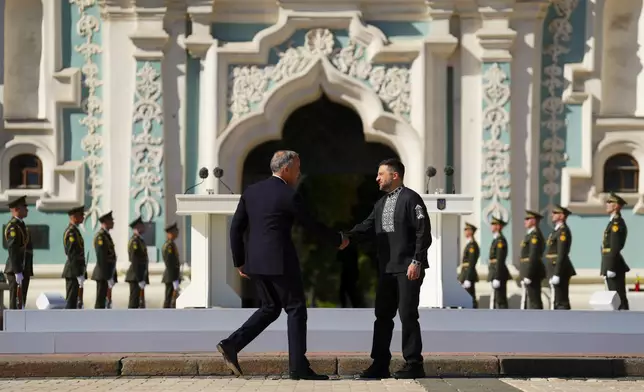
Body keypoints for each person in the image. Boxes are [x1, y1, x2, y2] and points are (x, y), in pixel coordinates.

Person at [216, 150, 348, 381]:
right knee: (296, 309)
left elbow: (236, 228)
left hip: (255, 263)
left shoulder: (251, 192)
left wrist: (240, 260)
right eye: (297, 168)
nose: (299, 172)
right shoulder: (288, 194)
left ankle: (231, 344)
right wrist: (337, 240)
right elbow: (311, 224)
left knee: (270, 308)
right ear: (285, 169)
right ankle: (298, 368)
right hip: (280, 262)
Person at [348, 158, 432, 380]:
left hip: (408, 268)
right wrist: (344, 238)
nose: (377, 178)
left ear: (395, 175)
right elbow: (365, 226)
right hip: (386, 269)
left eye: (381, 174)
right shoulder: (380, 204)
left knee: (407, 314)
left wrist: (417, 260)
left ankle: (414, 363)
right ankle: (380, 364)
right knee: (382, 316)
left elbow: (423, 231)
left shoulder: (411, 198)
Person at [4, 195, 33, 309]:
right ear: (16, 209)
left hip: (23, 268)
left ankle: (20, 325)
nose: (27, 209)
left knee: (21, 302)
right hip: (16, 270)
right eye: (24, 207)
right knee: (15, 302)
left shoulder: (21, 225)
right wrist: (17, 271)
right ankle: (13, 326)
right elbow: (13, 250)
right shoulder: (13, 227)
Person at [601, 192, 629, 310]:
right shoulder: (612, 223)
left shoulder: (616, 223)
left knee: (617, 296)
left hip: (614, 265)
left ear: (616, 206)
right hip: (609, 263)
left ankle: (624, 321)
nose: (607, 204)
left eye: (610, 202)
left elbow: (615, 246)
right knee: (612, 296)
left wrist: (611, 267)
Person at [545, 205, 576, 309]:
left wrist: (557, 273)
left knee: (561, 301)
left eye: (555, 213)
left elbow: (561, 253)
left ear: (562, 216)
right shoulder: (556, 231)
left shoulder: (563, 232)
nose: (552, 215)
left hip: (560, 270)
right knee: (556, 300)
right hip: (554, 269)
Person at [518, 210, 546, 309]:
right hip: (528, 272)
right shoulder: (529, 235)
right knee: (530, 300)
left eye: (527, 219)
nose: (525, 221)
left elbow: (534, 256)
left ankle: (538, 321)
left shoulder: (535, 236)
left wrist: (528, 275)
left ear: (534, 221)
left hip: (533, 273)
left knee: (534, 300)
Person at [62, 206, 87, 309]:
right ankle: (67, 323)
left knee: (75, 301)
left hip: (76, 271)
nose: (83, 217)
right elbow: (72, 254)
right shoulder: (71, 232)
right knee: (71, 301)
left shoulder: (75, 231)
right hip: (73, 272)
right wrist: (78, 274)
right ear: (74, 217)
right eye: (81, 215)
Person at [92, 211, 117, 309]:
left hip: (107, 274)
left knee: (104, 302)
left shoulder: (106, 236)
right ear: (105, 222)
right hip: (103, 274)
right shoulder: (100, 237)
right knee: (100, 302)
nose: (113, 222)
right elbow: (101, 257)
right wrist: (107, 276)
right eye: (111, 220)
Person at [126, 217, 149, 308]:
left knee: (139, 302)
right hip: (135, 276)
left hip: (139, 275)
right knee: (134, 301)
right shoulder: (134, 241)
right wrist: (140, 278)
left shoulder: (140, 241)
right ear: (137, 227)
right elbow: (135, 260)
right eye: (142, 226)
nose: (144, 228)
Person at [488, 217, 510, 309]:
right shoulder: (496, 240)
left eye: (493, 224)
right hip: (495, 271)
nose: (491, 226)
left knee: (500, 300)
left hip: (499, 273)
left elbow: (500, 260)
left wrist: (497, 277)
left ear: (498, 226)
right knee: (497, 299)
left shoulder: (500, 240)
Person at [458, 222, 479, 308]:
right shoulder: (469, 244)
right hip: (465, 274)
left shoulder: (472, 245)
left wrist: (468, 278)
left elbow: (471, 263)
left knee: (470, 297)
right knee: (467, 297)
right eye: (465, 229)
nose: (465, 231)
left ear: (471, 231)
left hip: (468, 275)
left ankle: (474, 314)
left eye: (466, 229)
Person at [337, 241, 364, 308]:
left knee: (350, 290)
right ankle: (349, 305)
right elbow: (339, 258)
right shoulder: (349, 249)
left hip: (350, 272)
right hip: (347, 272)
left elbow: (339, 258)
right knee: (345, 290)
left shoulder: (351, 249)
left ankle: (355, 304)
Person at [162, 223, 181, 308]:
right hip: (170, 276)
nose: (177, 233)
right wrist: (174, 279)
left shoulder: (172, 244)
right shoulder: (169, 246)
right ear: (170, 233)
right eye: (175, 231)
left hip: (173, 276)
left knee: (172, 300)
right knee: (169, 299)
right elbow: (169, 263)